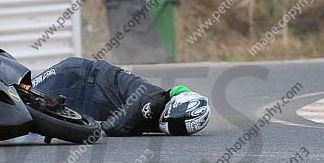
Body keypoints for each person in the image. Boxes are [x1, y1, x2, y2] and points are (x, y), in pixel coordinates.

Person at [32, 57, 210, 137]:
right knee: (23, 92)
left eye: (179, 129)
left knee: (35, 117)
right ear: (175, 106)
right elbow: (113, 127)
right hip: (77, 76)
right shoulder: (149, 101)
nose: (173, 129)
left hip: (86, 94)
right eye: (177, 123)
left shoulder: (158, 105)